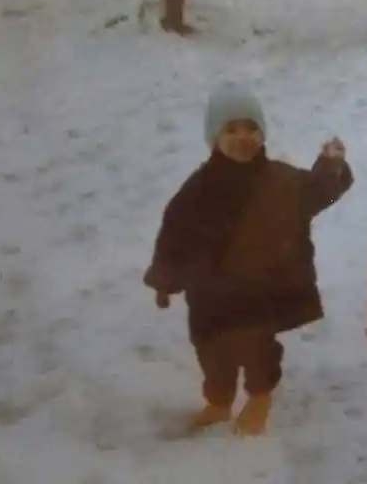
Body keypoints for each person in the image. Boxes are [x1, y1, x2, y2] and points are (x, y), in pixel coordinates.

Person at [144, 82, 353, 436]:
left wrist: (330, 167)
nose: (243, 137)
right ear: (214, 136)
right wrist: (165, 279)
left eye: (251, 128)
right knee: (211, 352)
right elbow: (173, 236)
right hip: (209, 293)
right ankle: (219, 401)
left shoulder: (281, 181)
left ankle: (259, 399)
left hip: (260, 289)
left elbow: (314, 193)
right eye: (231, 129)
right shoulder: (197, 191)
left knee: (258, 350)